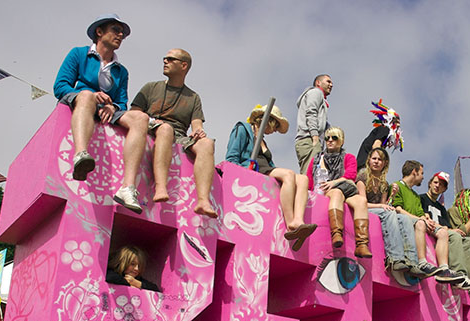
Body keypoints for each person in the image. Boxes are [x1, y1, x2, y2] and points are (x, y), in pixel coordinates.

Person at [53, 14, 149, 210]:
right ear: (99, 32)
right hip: (80, 100)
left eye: (122, 33)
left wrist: (112, 107)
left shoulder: (122, 71)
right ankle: (80, 154)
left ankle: (128, 188)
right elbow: (60, 86)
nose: (120, 35)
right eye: (116, 30)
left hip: (106, 110)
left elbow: (122, 102)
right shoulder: (78, 54)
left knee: (141, 117)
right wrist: (90, 95)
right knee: (87, 95)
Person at [130, 49, 217, 218]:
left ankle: (203, 201)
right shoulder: (151, 87)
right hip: (153, 127)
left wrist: (199, 132)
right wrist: (152, 122)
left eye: (170, 59)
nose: (165, 61)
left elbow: (197, 124)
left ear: (183, 65)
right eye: (165, 58)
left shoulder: (193, 97)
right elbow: (134, 113)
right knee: (165, 129)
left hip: (180, 135)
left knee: (207, 143)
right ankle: (161, 187)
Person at [226, 104, 316, 251]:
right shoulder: (243, 128)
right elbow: (231, 157)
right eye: (276, 126)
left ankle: (299, 220)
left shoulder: (263, 140)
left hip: (267, 169)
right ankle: (291, 224)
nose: (275, 130)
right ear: (269, 120)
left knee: (303, 179)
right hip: (253, 168)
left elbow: (270, 164)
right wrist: (245, 172)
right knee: (288, 174)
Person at [416, 173, 470, 294]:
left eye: (442, 185)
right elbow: (459, 230)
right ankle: (458, 274)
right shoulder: (421, 198)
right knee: (456, 236)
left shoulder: (441, 208)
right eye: (435, 182)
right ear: (430, 183)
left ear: (444, 189)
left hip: (445, 233)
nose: (438, 186)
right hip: (432, 232)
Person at [307, 127, 371, 258]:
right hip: (326, 191)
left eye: (334, 138)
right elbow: (309, 180)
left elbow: (351, 175)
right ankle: (336, 233)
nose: (330, 141)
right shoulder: (316, 159)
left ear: (341, 141)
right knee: (336, 193)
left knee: (361, 201)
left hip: (345, 190)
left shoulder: (348, 157)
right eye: (327, 138)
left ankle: (362, 244)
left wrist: (334, 182)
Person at [356, 148, 418, 272]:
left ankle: (412, 262)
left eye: (380, 160)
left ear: (384, 163)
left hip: (379, 211)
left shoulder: (384, 183)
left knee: (404, 218)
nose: (376, 162)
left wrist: (392, 196)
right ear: (369, 160)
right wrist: (382, 206)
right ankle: (395, 258)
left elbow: (384, 205)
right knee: (389, 213)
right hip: (364, 210)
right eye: (374, 158)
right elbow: (363, 203)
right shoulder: (362, 176)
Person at [295, 74, 332, 173]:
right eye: (328, 81)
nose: (331, 85)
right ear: (318, 83)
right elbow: (311, 113)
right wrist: (315, 136)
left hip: (311, 139)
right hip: (309, 138)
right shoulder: (316, 92)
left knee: (313, 173)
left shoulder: (319, 97)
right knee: (309, 174)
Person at [356, 99, 403, 171]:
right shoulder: (384, 129)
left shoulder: (381, 130)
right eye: (396, 122)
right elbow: (376, 146)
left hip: (361, 167)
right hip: (365, 168)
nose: (398, 125)